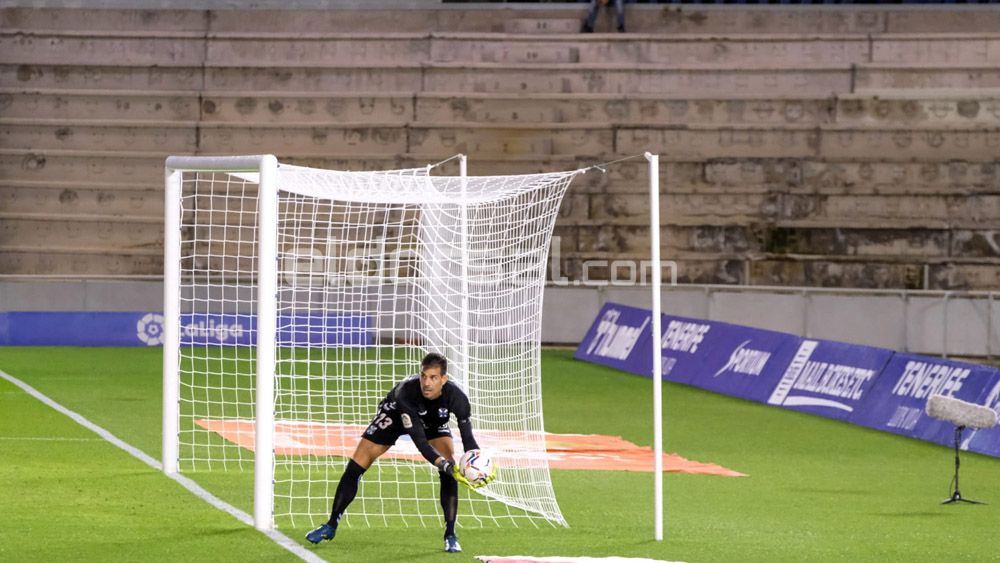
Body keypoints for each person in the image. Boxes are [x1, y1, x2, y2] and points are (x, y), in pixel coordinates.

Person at [305, 352, 493, 553]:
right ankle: (331, 525)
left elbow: (468, 439)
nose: (426, 383)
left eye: (433, 377)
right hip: (396, 414)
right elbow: (420, 442)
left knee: (449, 465)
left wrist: (477, 464)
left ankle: (451, 535)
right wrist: (443, 465)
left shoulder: (457, 398)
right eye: (423, 376)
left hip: (433, 422)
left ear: (443, 379)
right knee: (357, 464)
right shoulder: (407, 393)